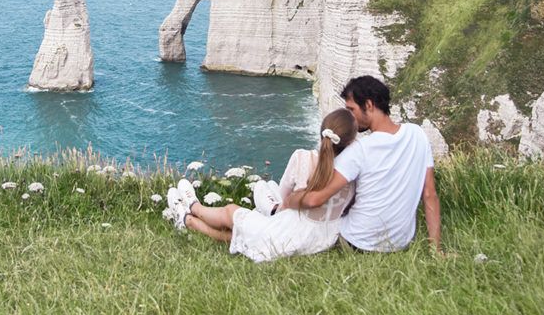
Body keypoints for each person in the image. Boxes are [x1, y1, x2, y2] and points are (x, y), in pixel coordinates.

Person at [163, 108, 358, 263]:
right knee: (245, 234)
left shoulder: (303, 157)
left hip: (288, 233)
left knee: (232, 212)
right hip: (323, 238)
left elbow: (283, 196)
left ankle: (193, 208)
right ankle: (189, 219)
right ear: (350, 142)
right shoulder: (353, 173)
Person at [283, 75, 441, 252]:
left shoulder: (359, 150)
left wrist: (290, 200)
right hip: (400, 243)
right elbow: (429, 195)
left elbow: (315, 200)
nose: (349, 117)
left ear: (368, 105)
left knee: (302, 215)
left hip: (357, 242)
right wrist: (436, 250)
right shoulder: (418, 134)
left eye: (351, 110)